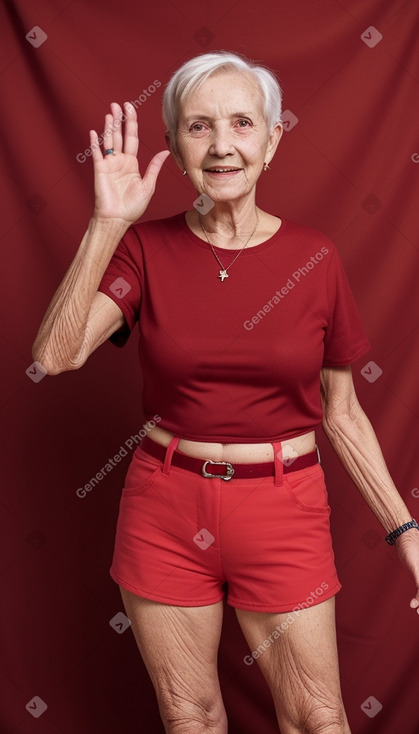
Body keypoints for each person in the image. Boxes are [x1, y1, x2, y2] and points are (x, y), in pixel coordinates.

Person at [32, 51, 419, 734]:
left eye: (242, 123)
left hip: (282, 504)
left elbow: (344, 415)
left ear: (271, 141)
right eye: (197, 126)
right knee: (190, 718)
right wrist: (107, 221)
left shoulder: (315, 257)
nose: (221, 145)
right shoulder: (143, 250)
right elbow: (55, 357)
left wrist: (406, 534)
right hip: (164, 504)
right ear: (175, 146)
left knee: (317, 719)